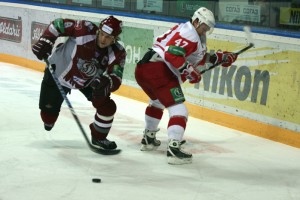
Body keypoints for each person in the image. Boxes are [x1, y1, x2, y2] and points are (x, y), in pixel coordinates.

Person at [135, 7, 238, 164]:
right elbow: (172, 53)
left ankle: (148, 139)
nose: (205, 31)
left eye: (208, 29)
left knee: (157, 102)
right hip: (159, 71)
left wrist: (220, 57)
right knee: (179, 110)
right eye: (204, 27)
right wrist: (188, 70)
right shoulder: (190, 34)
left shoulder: (186, 30)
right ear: (196, 21)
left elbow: (195, 57)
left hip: (144, 68)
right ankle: (173, 149)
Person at [32, 16, 126, 151]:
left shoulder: (118, 52)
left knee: (107, 106)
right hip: (57, 73)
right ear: (98, 30)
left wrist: (107, 83)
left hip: (88, 81)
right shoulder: (85, 29)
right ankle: (49, 119)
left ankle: (99, 137)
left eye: (108, 37)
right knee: (48, 119)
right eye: (102, 34)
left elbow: (116, 77)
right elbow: (58, 24)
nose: (103, 39)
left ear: (115, 39)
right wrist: (46, 39)